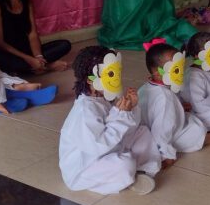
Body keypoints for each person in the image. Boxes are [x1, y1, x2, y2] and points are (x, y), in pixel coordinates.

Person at [59, 46, 160, 195]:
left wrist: (130, 108)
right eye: (111, 74)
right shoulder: (84, 110)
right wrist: (120, 116)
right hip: (84, 168)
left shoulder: (103, 98)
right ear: (90, 79)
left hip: (107, 150)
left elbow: (127, 127)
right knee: (124, 165)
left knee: (142, 132)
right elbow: (97, 146)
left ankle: (143, 169)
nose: (117, 78)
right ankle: (121, 178)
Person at [137, 40, 210, 169]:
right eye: (176, 69)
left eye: (181, 67)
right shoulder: (166, 98)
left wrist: (179, 105)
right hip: (160, 137)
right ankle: (203, 139)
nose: (181, 72)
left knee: (188, 117)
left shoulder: (144, 88)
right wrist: (167, 155)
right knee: (196, 127)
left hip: (145, 133)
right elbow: (162, 130)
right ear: (159, 73)